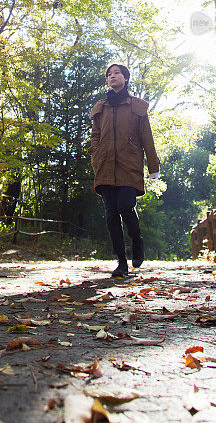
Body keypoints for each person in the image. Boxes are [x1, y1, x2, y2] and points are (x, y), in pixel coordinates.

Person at [90, 63, 160, 277]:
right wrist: (95, 152)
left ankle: (137, 241)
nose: (112, 76)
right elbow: (95, 135)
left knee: (125, 206)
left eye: (117, 73)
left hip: (129, 165)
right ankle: (121, 263)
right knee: (111, 214)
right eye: (109, 74)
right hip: (105, 166)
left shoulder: (136, 106)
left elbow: (146, 136)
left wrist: (153, 166)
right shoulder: (101, 107)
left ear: (126, 78)